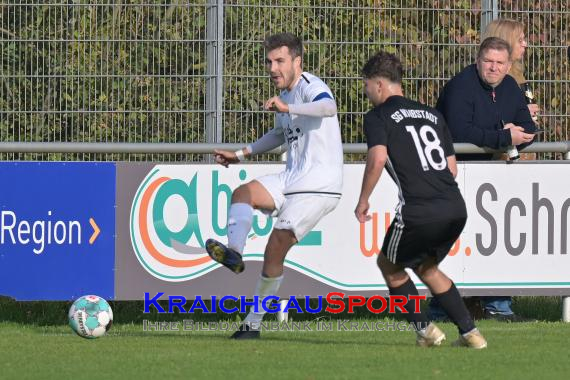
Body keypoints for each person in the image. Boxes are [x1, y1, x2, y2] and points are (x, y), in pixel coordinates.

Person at [206, 32, 343, 339]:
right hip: (292, 177)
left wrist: (287, 109)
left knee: (274, 249)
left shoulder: (311, 86)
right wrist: (240, 155)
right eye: (269, 61)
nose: (272, 68)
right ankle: (234, 254)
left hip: (318, 184)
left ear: (298, 61)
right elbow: (279, 135)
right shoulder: (287, 97)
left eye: (280, 61)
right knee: (242, 193)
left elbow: (328, 108)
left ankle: (252, 324)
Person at [354, 51, 487, 349]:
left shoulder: (378, 116)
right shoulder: (432, 114)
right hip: (455, 207)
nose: (365, 92)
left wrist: (363, 199)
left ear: (378, 84)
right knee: (427, 268)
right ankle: (471, 335)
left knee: (388, 265)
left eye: (365, 86)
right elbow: (451, 168)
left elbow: (377, 158)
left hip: (419, 210)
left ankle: (426, 330)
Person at [432, 36, 537, 322]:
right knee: (450, 245)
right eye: (488, 61)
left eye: (499, 63)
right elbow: (458, 132)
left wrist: (509, 137)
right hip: (451, 175)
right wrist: (503, 136)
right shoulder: (460, 87)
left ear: (508, 65)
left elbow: (527, 130)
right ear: (477, 61)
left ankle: (498, 307)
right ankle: (439, 308)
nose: (493, 68)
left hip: (490, 177)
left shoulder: (511, 88)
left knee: (494, 241)